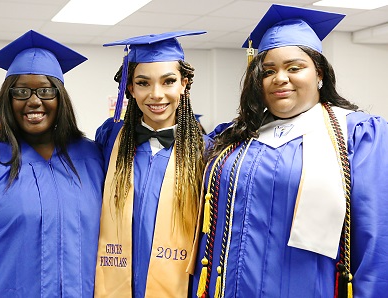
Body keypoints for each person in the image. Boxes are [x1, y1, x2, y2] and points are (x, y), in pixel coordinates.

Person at [191, 4, 388, 298]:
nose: (280, 78)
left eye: (294, 67)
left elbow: (376, 238)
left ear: (319, 73)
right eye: (268, 71)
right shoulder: (233, 138)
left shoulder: (357, 135)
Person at [0, 30, 105, 297]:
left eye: (46, 90)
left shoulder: (91, 158)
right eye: (22, 91)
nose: (34, 100)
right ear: (8, 98)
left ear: (60, 98)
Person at [95, 31, 210, 297]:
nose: (156, 95)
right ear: (130, 88)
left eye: (168, 81)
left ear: (184, 83)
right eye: (143, 83)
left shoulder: (204, 151)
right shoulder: (110, 139)